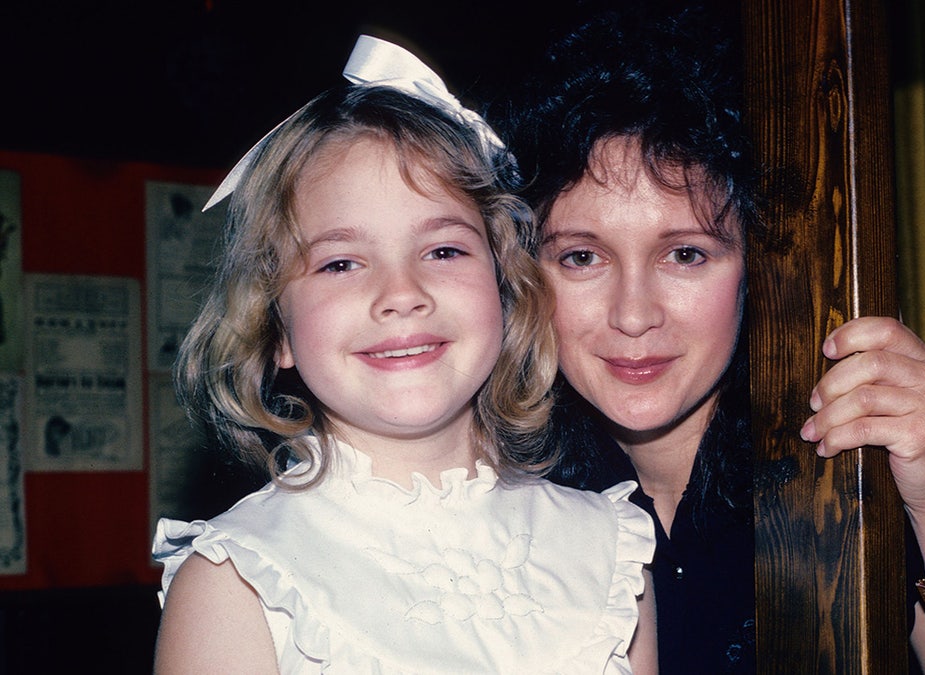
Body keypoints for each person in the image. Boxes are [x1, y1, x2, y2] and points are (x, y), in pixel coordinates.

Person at [495, 8, 925, 673]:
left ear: (757, 267)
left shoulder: (855, 413)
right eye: (581, 258)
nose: (633, 315)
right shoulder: (501, 473)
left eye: (685, 254)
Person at [151, 35, 657, 674]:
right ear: (273, 327)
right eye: (340, 263)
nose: (401, 295)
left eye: (443, 251)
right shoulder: (238, 580)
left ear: (507, 289)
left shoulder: (613, 549)